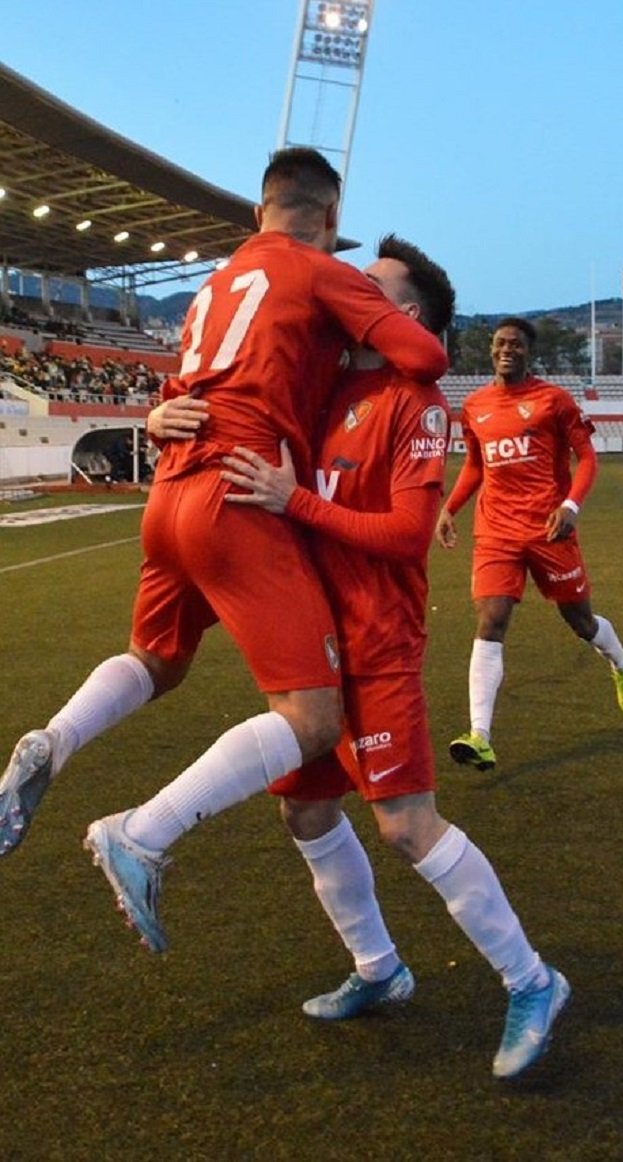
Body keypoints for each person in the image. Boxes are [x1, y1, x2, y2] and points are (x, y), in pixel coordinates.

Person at [0, 149, 447, 960]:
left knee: (158, 659)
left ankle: (52, 741)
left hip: (168, 495)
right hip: (235, 499)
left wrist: (161, 413)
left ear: (256, 213)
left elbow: (193, 388)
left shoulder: (216, 283)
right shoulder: (317, 269)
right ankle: (143, 835)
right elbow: (427, 359)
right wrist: (363, 322)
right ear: (332, 220)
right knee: (313, 720)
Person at [198, 235, 563, 1078]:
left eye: (372, 288)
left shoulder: (418, 399)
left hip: (377, 642)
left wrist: (294, 500)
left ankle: (534, 980)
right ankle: (380, 969)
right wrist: (163, 413)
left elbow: (405, 538)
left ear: (409, 319)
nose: (349, 292)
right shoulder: (323, 384)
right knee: (307, 812)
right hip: (314, 648)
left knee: (405, 824)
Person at [434, 317, 623, 771]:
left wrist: (570, 506)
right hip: (496, 531)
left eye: (517, 345)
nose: (508, 350)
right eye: (501, 343)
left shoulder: (553, 401)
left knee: (581, 621)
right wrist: (450, 507)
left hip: (549, 528)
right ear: (491, 350)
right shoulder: (474, 406)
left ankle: (622, 661)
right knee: (491, 619)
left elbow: (586, 457)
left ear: (530, 353)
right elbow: (475, 465)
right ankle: (480, 735)